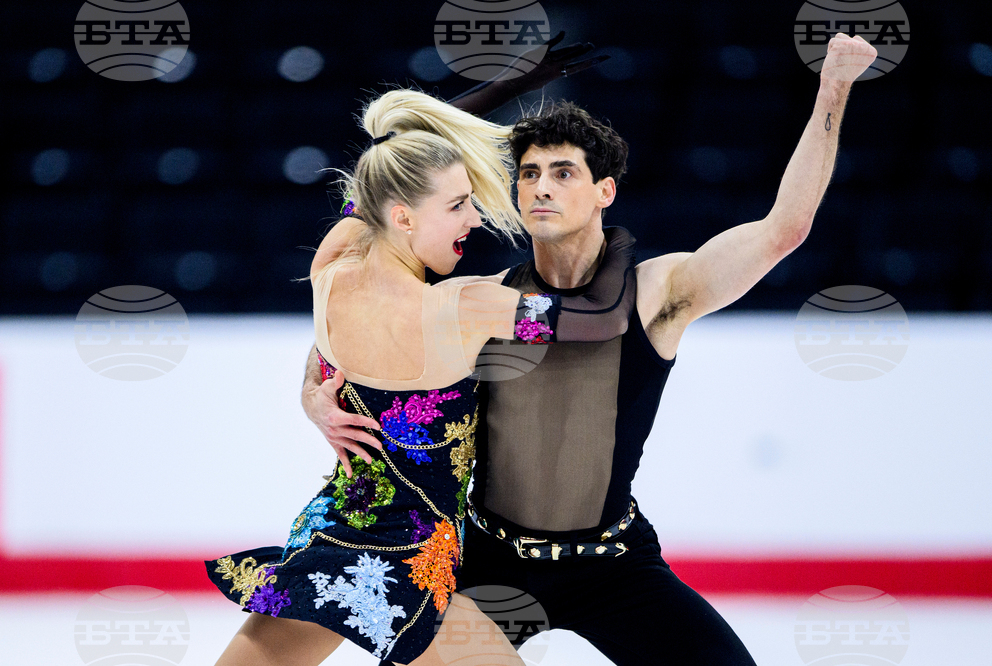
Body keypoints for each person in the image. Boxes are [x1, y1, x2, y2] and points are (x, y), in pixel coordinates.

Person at [304, 33, 879, 665]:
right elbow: (357, 295)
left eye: (563, 173)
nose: (541, 188)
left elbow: (784, 229)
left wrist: (833, 89)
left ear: (605, 191)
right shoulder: (478, 302)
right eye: (528, 174)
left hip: (614, 568)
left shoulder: (659, 292)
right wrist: (314, 393)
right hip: (489, 562)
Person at [205, 84, 639, 666]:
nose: (475, 219)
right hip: (411, 566)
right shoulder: (465, 308)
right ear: (403, 217)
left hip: (332, 534)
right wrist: (616, 240)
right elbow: (603, 318)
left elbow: (386, 170)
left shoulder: (332, 266)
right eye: (457, 205)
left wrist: (312, 390)